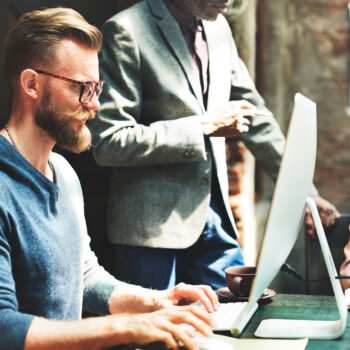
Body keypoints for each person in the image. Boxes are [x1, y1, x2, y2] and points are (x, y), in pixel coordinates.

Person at [0, 7, 222, 350]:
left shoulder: (65, 174)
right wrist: (131, 327)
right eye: (82, 88)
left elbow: (84, 276)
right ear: (31, 83)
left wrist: (156, 302)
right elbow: (4, 328)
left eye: (97, 87)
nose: (95, 105)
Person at [89, 0, 340, 291]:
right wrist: (202, 127)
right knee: (157, 335)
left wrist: (304, 193)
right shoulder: (126, 30)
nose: (231, 1)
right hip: (150, 237)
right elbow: (108, 141)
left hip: (216, 222)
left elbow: (256, 119)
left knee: (237, 323)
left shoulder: (219, 28)